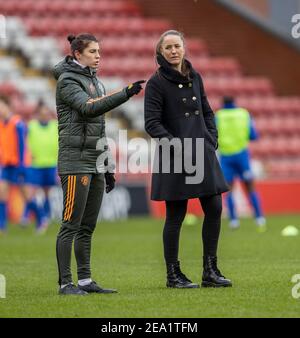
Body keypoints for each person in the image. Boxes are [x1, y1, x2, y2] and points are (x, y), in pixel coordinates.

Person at [53, 33, 145, 295]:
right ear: (77, 54)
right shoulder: (67, 81)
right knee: (70, 224)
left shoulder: (96, 81)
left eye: (99, 51)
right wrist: (125, 93)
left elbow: (100, 129)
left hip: (94, 162)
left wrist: (107, 164)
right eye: (93, 51)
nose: (98, 56)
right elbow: (89, 109)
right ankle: (65, 284)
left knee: (87, 226)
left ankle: (85, 281)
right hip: (75, 162)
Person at [144, 30, 232, 288]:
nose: (173, 51)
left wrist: (211, 138)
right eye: (168, 47)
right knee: (176, 214)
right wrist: (177, 146)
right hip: (175, 156)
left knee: (214, 207)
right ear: (160, 52)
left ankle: (210, 271)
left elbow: (207, 111)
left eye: (177, 46)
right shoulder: (156, 82)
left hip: (202, 151)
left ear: (184, 48)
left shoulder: (195, 77)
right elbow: (152, 124)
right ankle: (173, 275)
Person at [215, 96, 266, 231]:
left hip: (225, 157)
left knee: (229, 189)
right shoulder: (243, 114)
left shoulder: (218, 116)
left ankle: (233, 220)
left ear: (222, 103)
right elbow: (253, 135)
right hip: (242, 156)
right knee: (250, 187)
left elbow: (213, 135)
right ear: (234, 102)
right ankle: (259, 218)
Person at [0, 95, 42, 234]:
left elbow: (22, 145)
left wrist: (22, 166)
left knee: (26, 195)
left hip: (20, 164)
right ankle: (2, 226)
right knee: (2, 193)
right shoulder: (1, 123)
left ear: (7, 107)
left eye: (1, 106)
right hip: (7, 164)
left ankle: (41, 218)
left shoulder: (17, 123)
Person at [23, 101, 59, 233]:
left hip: (50, 164)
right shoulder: (31, 126)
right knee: (29, 192)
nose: (44, 116)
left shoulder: (55, 126)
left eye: (47, 114)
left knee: (46, 193)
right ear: (37, 115)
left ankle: (45, 217)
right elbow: (24, 141)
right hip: (35, 164)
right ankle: (29, 215)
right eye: (42, 114)